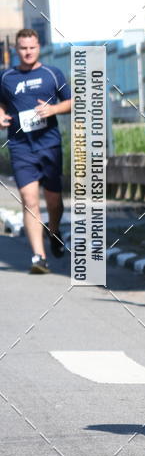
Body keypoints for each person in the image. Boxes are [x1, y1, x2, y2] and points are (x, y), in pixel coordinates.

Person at [0, 29, 72, 274]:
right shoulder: (6, 77)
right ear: (16, 50)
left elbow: (73, 102)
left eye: (31, 47)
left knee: (53, 201)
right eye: (23, 48)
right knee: (29, 200)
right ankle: (38, 258)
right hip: (21, 148)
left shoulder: (52, 73)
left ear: (38, 46)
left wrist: (53, 110)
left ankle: (53, 231)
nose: (27, 52)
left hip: (49, 145)